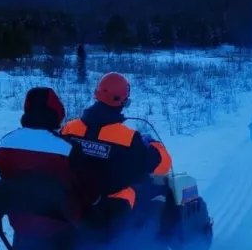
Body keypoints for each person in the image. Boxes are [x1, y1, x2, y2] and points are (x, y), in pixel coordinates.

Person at [0, 87, 98, 250]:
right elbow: (86, 190)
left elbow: (9, 178)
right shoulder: (67, 148)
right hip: (63, 227)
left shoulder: (5, 143)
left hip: (22, 226)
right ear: (57, 112)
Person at [60, 72, 173, 230]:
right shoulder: (128, 138)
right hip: (113, 208)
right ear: (123, 101)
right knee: (162, 189)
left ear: (97, 94)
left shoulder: (69, 128)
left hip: (76, 201)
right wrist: (153, 143)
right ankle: (158, 245)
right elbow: (163, 165)